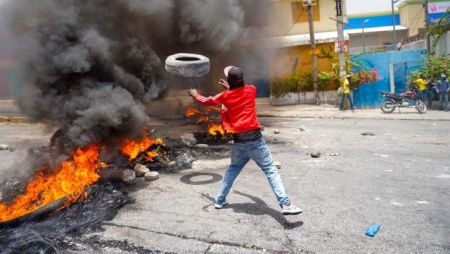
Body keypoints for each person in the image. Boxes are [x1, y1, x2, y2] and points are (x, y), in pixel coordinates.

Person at [188, 66, 302, 215]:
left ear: (230, 81)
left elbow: (208, 100)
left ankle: (219, 200)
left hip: (239, 142)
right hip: (255, 141)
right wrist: (231, 87)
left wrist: (195, 94)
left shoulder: (225, 96)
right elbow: (240, 91)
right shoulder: (252, 90)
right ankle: (285, 204)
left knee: (232, 171)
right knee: (271, 171)